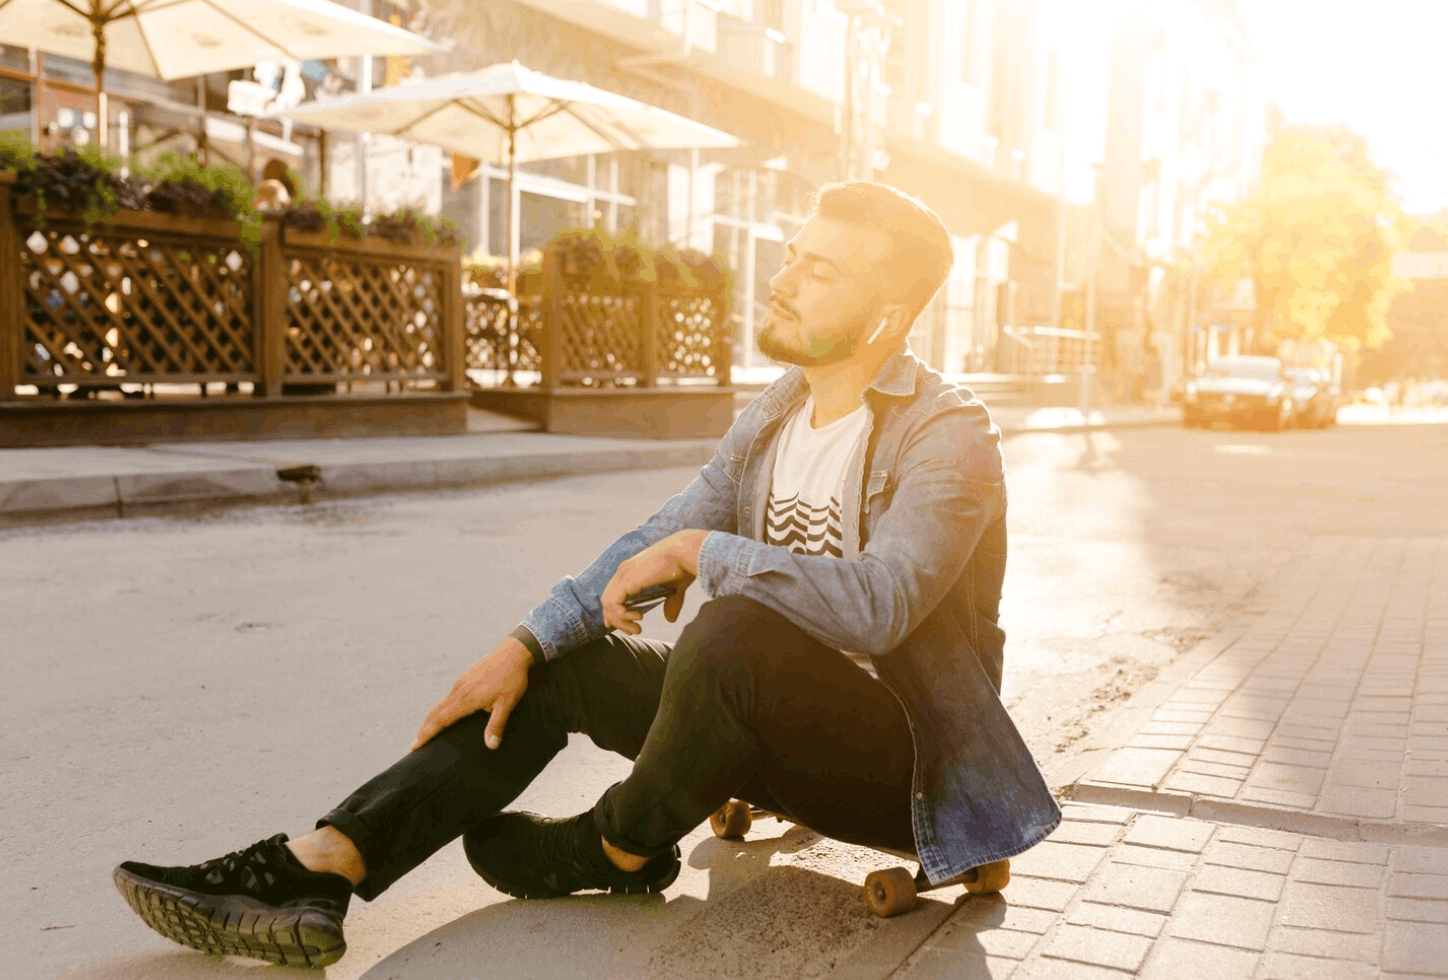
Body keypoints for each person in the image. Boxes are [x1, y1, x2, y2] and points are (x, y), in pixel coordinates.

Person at [112, 181, 1061, 969]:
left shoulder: (950, 433)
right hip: (753, 737)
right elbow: (656, 535)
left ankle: (616, 840)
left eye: (820, 269)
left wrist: (704, 556)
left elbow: (881, 607)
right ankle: (321, 869)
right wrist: (523, 643)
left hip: (907, 773)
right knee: (567, 662)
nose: (783, 278)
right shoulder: (776, 414)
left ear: (887, 313)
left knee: (731, 633)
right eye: (791, 254)